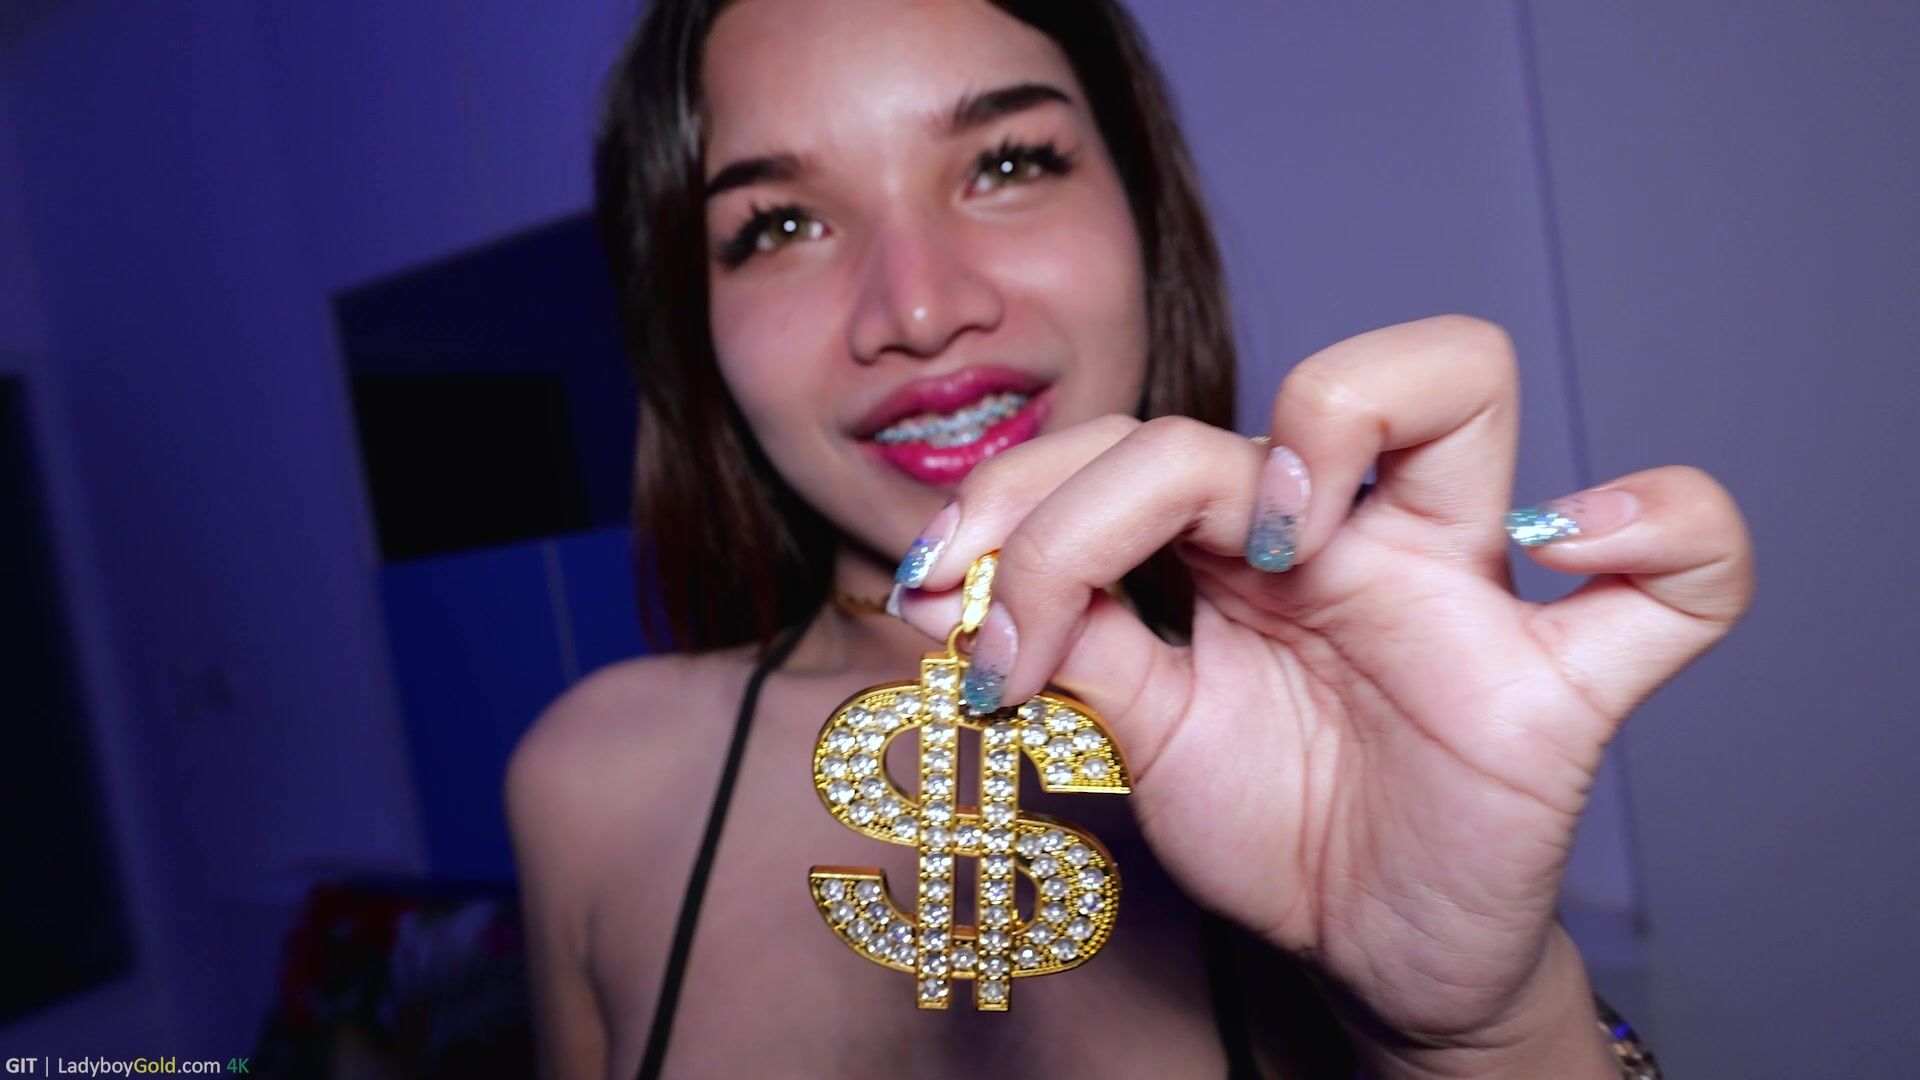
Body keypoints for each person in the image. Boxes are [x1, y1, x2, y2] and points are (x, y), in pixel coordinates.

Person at [505, 0, 1753, 1077]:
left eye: (1006, 162)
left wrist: (1481, 1036)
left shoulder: (1331, 745)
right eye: (779, 225)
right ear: (691, 322)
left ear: (1145, 209)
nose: (920, 308)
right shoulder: (588, 784)